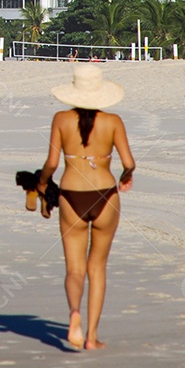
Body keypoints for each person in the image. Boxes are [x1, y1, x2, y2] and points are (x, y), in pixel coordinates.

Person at [35, 65, 135, 351]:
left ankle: (74, 315)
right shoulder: (113, 121)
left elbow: (52, 164)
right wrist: (125, 177)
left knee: (75, 268)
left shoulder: (61, 119)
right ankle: (91, 337)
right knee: (98, 268)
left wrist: (42, 183)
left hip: (71, 195)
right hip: (106, 195)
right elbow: (129, 162)